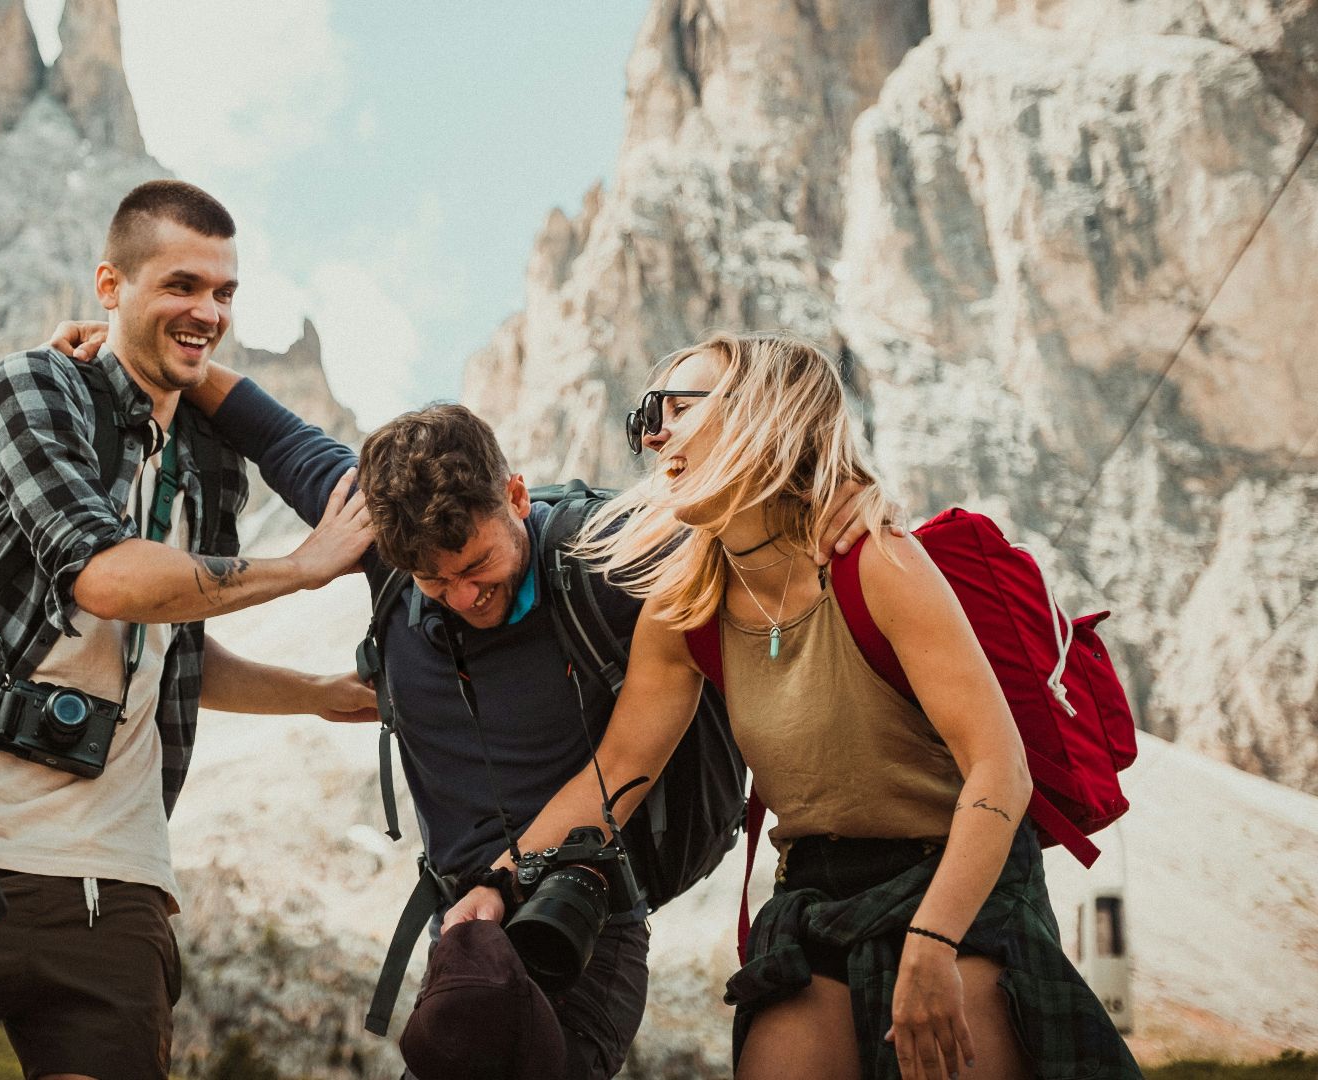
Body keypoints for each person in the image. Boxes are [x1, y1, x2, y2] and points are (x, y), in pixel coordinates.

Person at [43, 318, 872, 1078]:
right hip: (465, 933)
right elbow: (273, 431)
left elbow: (748, 523)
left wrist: (843, 499)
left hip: (580, 928)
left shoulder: (605, 557)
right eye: (430, 582)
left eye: (478, 568)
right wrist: (145, 348)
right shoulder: (384, 544)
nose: (461, 597)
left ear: (515, 497)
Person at [461, 331, 1141, 1079]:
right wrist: (498, 881)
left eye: (675, 408)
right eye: (647, 417)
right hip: (813, 894)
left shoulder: (875, 562)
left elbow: (999, 769)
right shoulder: (684, 607)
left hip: (954, 880)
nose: (653, 433)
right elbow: (617, 770)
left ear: (762, 412)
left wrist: (937, 940)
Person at [0, 180, 376, 1080]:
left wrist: (317, 697)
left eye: (224, 293)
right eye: (182, 285)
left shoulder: (213, 460)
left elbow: (175, 633)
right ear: (110, 284)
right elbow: (105, 579)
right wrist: (303, 567)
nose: (207, 311)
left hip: (120, 879)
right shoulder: (32, 390)